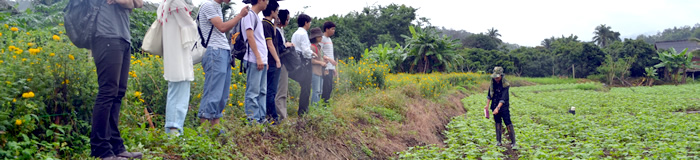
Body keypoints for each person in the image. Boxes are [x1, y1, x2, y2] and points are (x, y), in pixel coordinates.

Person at [90, 0, 143, 159]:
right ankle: (100, 149)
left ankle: (116, 146)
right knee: (107, 92)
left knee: (118, 92)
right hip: (106, 35)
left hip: (123, 36)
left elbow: (138, 3)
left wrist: (129, 3)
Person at [197, 0, 249, 128]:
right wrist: (240, 15)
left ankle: (215, 128)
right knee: (213, 91)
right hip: (214, 52)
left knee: (222, 94)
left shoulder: (217, 7)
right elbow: (222, 27)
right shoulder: (208, 6)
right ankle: (204, 131)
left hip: (223, 52)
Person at [242, 0, 269, 124]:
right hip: (253, 59)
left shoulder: (256, 17)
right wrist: (258, 57)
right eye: (266, 0)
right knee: (253, 92)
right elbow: (250, 36)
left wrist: (264, 59)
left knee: (262, 91)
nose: (267, 3)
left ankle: (261, 118)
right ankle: (253, 120)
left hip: (261, 60)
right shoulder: (249, 15)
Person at [484, 67, 516, 148]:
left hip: (503, 107)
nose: (496, 79)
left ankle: (513, 142)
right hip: (494, 105)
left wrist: (498, 108)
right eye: (495, 77)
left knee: (507, 122)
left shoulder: (505, 85)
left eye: (497, 77)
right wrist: (487, 105)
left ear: (501, 76)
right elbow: (489, 95)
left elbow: (503, 98)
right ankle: (498, 141)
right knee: (497, 122)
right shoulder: (492, 83)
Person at [291, 14, 314, 116]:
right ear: (306, 23)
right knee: (306, 87)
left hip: (296, 60)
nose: (309, 25)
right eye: (309, 22)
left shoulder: (295, 33)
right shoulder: (303, 33)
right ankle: (303, 111)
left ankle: (302, 110)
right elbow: (305, 50)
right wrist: (313, 54)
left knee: (303, 86)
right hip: (304, 61)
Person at [262, 0, 281, 123]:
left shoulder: (268, 24)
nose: (278, 14)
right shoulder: (265, 24)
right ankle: (273, 117)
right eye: (277, 11)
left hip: (269, 61)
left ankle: (270, 116)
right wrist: (277, 60)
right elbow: (270, 45)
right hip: (271, 62)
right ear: (272, 11)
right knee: (271, 91)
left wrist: (275, 24)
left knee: (270, 90)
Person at [274, 9, 293, 120]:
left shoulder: (280, 30)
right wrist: (286, 45)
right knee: (281, 91)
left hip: (282, 62)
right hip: (279, 62)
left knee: (282, 90)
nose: (288, 21)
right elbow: (279, 47)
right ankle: (281, 116)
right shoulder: (276, 30)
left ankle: (282, 115)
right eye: (287, 19)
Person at [319, 21, 338, 103]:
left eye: (334, 29)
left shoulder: (329, 39)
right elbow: (319, 53)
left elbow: (330, 54)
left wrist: (333, 68)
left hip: (330, 67)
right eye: (332, 29)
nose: (333, 31)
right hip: (325, 67)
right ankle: (324, 104)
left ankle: (326, 104)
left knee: (329, 87)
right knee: (326, 87)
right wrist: (328, 61)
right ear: (327, 29)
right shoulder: (322, 38)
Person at [309, 27, 325, 104]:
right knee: (316, 91)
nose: (321, 38)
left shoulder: (319, 47)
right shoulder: (312, 47)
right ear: (315, 37)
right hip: (314, 71)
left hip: (319, 71)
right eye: (319, 36)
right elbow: (311, 60)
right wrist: (320, 63)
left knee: (319, 91)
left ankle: (317, 107)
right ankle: (314, 107)